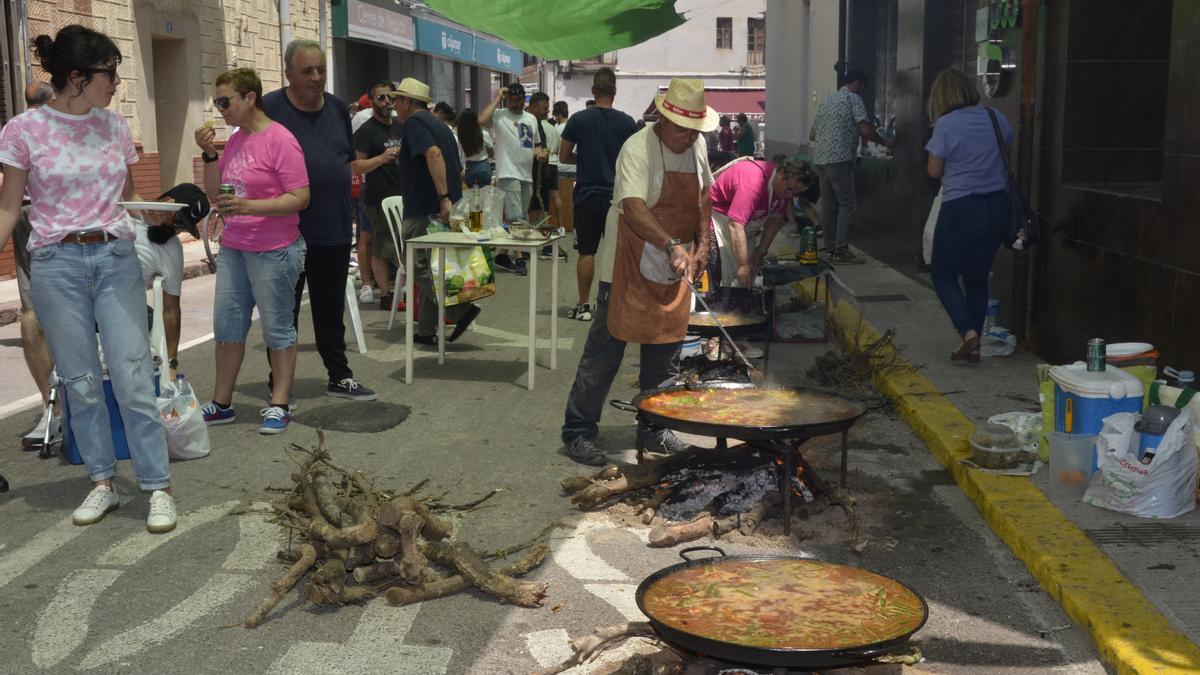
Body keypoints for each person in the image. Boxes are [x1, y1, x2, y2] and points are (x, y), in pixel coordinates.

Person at [0, 24, 177, 531]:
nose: (116, 82)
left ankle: (156, 485)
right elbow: (10, 207)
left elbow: (128, 200)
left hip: (115, 258)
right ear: (76, 77)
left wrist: (156, 215)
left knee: (133, 375)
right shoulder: (23, 131)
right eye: (109, 72)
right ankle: (102, 481)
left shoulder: (115, 126)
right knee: (79, 382)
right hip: (56, 265)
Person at [561, 78, 715, 466]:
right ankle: (578, 431)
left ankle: (655, 427)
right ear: (663, 120)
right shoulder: (638, 147)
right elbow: (633, 206)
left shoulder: (697, 147)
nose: (687, 137)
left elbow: (703, 197)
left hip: (674, 262)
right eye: (681, 129)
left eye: (694, 130)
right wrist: (671, 244)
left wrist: (702, 247)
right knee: (606, 347)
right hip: (626, 260)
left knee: (665, 350)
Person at [195, 67, 309, 434]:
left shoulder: (280, 139)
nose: (221, 109)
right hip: (235, 247)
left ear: (250, 98)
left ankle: (280, 402)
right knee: (227, 327)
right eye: (218, 102)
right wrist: (209, 155)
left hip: (273, 248)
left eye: (225, 101)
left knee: (277, 328)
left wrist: (251, 207)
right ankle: (221, 402)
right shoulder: (237, 141)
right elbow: (217, 194)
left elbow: (301, 197)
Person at [263, 39, 376, 402]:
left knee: (330, 308)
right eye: (307, 70)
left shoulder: (340, 109)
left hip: (333, 225)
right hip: (285, 231)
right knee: (284, 311)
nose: (316, 77)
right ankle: (279, 384)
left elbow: (344, 158)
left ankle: (339, 376)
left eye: (321, 70)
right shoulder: (269, 107)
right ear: (288, 74)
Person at [925, 67, 1012, 363]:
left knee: (943, 274)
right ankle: (973, 344)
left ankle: (968, 333)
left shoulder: (946, 124)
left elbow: (933, 171)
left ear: (941, 96)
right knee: (976, 277)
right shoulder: (995, 116)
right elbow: (1007, 150)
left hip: (961, 207)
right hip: (997, 207)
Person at [388, 78, 478, 346]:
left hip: (425, 208)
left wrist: (443, 197)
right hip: (436, 207)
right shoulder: (439, 124)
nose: (394, 107)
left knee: (418, 267)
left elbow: (434, 155)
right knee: (430, 266)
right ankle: (426, 329)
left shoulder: (416, 124)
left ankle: (460, 310)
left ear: (407, 102)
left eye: (397, 101)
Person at [558, 66, 637, 323]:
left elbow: (563, 155)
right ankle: (617, 304)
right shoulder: (627, 123)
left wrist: (586, 159)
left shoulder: (578, 120)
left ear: (593, 90)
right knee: (618, 254)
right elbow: (633, 161)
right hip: (617, 197)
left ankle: (584, 305)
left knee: (587, 251)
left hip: (587, 195)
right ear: (614, 91)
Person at [9, 80, 58, 449]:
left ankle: (52, 408)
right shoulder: (52, 125)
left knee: (33, 309)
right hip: (43, 215)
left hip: (25, 214)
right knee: (40, 313)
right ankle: (58, 408)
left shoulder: (16, 126)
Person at [809, 68, 894, 264]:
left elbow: (812, 135)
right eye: (862, 87)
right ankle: (841, 250)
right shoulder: (853, 99)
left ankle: (830, 248)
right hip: (840, 160)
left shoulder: (827, 101)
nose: (861, 91)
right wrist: (884, 142)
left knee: (829, 206)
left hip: (821, 160)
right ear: (857, 83)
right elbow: (865, 129)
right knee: (847, 204)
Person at [133, 182, 211, 372]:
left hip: (125, 315)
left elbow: (171, 310)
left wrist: (171, 365)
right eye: (177, 221)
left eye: (182, 227)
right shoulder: (126, 215)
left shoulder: (171, 249)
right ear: (167, 202)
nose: (176, 231)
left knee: (146, 318)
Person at [708, 157, 815, 290]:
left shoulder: (783, 190)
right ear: (781, 173)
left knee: (749, 274)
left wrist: (760, 252)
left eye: (795, 194)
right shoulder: (753, 183)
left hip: (744, 228)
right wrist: (742, 265)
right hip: (718, 222)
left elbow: (775, 219)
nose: (789, 196)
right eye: (789, 190)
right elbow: (735, 225)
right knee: (723, 274)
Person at [351, 80, 403, 311]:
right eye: (381, 98)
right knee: (381, 246)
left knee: (401, 245)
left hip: (402, 195)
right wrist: (382, 158)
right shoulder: (366, 131)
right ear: (371, 102)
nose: (387, 102)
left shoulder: (400, 126)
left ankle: (400, 289)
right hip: (378, 197)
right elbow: (356, 166)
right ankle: (385, 294)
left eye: (390, 97)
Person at [480, 82, 541, 276]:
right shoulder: (499, 115)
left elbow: (535, 145)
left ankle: (503, 254)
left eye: (519, 100)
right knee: (516, 217)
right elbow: (481, 119)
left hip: (527, 175)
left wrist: (541, 153)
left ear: (524, 99)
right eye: (512, 100)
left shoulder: (531, 118)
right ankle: (521, 258)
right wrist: (498, 97)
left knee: (521, 215)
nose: (515, 104)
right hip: (508, 172)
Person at [527, 92, 566, 261]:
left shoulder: (541, 125)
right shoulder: (529, 122)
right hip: (534, 170)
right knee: (535, 207)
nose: (547, 112)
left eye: (548, 109)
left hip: (543, 169)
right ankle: (532, 244)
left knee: (540, 206)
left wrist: (541, 154)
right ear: (534, 106)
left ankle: (542, 242)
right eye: (544, 108)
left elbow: (539, 147)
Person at [456, 108, 493, 187]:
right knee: (485, 195)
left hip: (469, 168)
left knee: (473, 195)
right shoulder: (484, 133)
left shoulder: (460, 136)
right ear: (476, 119)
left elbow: (460, 152)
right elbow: (491, 152)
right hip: (484, 167)